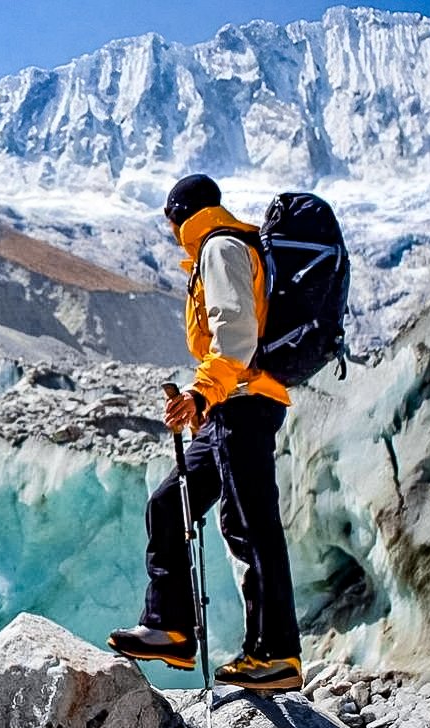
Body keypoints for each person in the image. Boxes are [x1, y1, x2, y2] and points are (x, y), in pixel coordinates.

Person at [107, 174, 303, 691]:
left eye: (170, 221)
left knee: (250, 523)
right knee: (169, 503)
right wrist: (205, 403)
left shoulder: (220, 248)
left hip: (247, 404)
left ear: (179, 215)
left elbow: (235, 336)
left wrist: (200, 393)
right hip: (226, 408)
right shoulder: (214, 250)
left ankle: (276, 654)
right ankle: (169, 628)